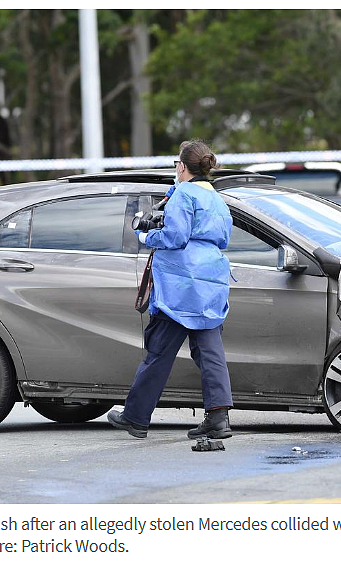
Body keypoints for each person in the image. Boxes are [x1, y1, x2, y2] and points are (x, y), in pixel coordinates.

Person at [108, 140, 234, 439]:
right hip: (211, 283)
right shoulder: (217, 198)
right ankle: (218, 419)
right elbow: (224, 237)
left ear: (182, 166)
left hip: (180, 285)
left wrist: (146, 235)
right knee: (211, 352)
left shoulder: (183, 194)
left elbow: (175, 237)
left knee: (159, 352)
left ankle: (136, 418)